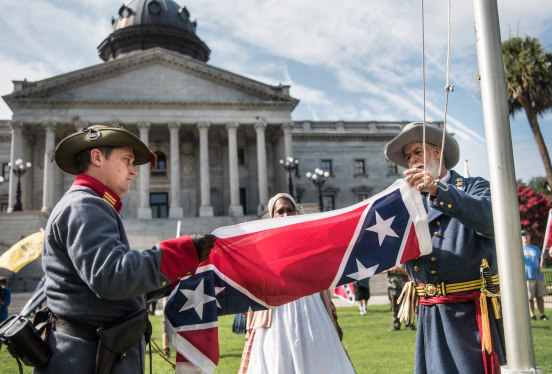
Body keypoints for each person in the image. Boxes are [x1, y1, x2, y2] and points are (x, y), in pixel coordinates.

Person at [36, 124, 215, 374]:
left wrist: (169, 281)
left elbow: (102, 293)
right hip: (87, 359)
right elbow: (110, 277)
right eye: (127, 160)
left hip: (93, 354)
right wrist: (181, 253)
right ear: (97, 157)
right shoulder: (85, 205)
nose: (134, 170)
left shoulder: (89, 204)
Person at [384, 122, 505, 374]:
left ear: (438, 153)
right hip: (431, 312)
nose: (412, 160)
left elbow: (492, 221)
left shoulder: (474, 187)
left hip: (469, 313)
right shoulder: (407, 202)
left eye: (418, 151)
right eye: (408, 157)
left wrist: (439, 191)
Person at [239, 193, 354, 374]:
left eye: (289, 210)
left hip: (310, 309)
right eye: (280, 212)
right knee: (277, 360)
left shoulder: (309, 242)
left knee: (317, 359)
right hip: (276, 315)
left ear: (295, 212)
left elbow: (321, 277)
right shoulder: (262, 246)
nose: (285, 215)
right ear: (273, 216)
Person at [522, 229, 548, 320]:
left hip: (538, 275)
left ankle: (542, 314)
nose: (525, 237)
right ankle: (532, 315)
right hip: (527, 277)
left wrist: (543, 258)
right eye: (523, 235)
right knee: (530, 298)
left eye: (526, 235)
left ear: (529, 236)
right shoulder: (519, 249)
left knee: (540, 297)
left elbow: (542, 263)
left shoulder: (536, 248)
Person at [385, 265, 415, 331]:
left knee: (407, 307)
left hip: (404, 287)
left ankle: (409, 325)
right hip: (393, 287)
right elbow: (381, 270)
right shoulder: (390, 260)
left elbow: (409, 272)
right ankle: (395, 325)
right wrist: (390, 269)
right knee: (394, 308)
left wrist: (400, 269)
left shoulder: (404, 261)